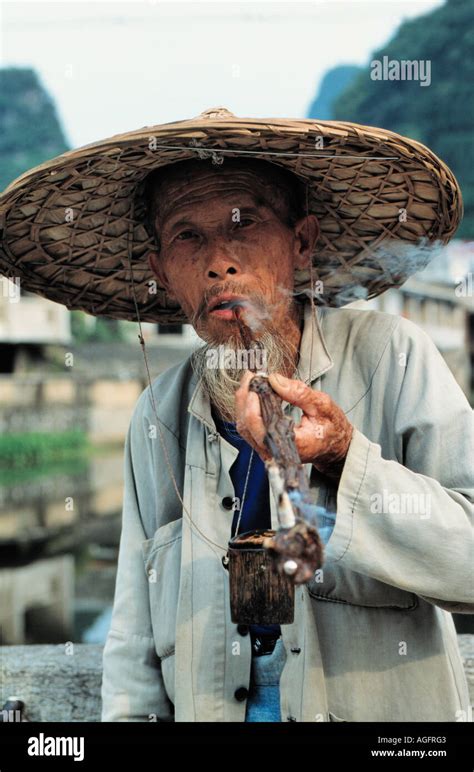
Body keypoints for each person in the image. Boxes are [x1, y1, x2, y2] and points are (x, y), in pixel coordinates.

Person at [0, 107, 472, 722]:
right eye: (187, 236)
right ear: (161, 272)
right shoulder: (158, 414)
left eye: (243, 224)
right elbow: (134, 642)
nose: (219, 260)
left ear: (301, 243)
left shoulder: (392, 359)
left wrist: (341, 455)